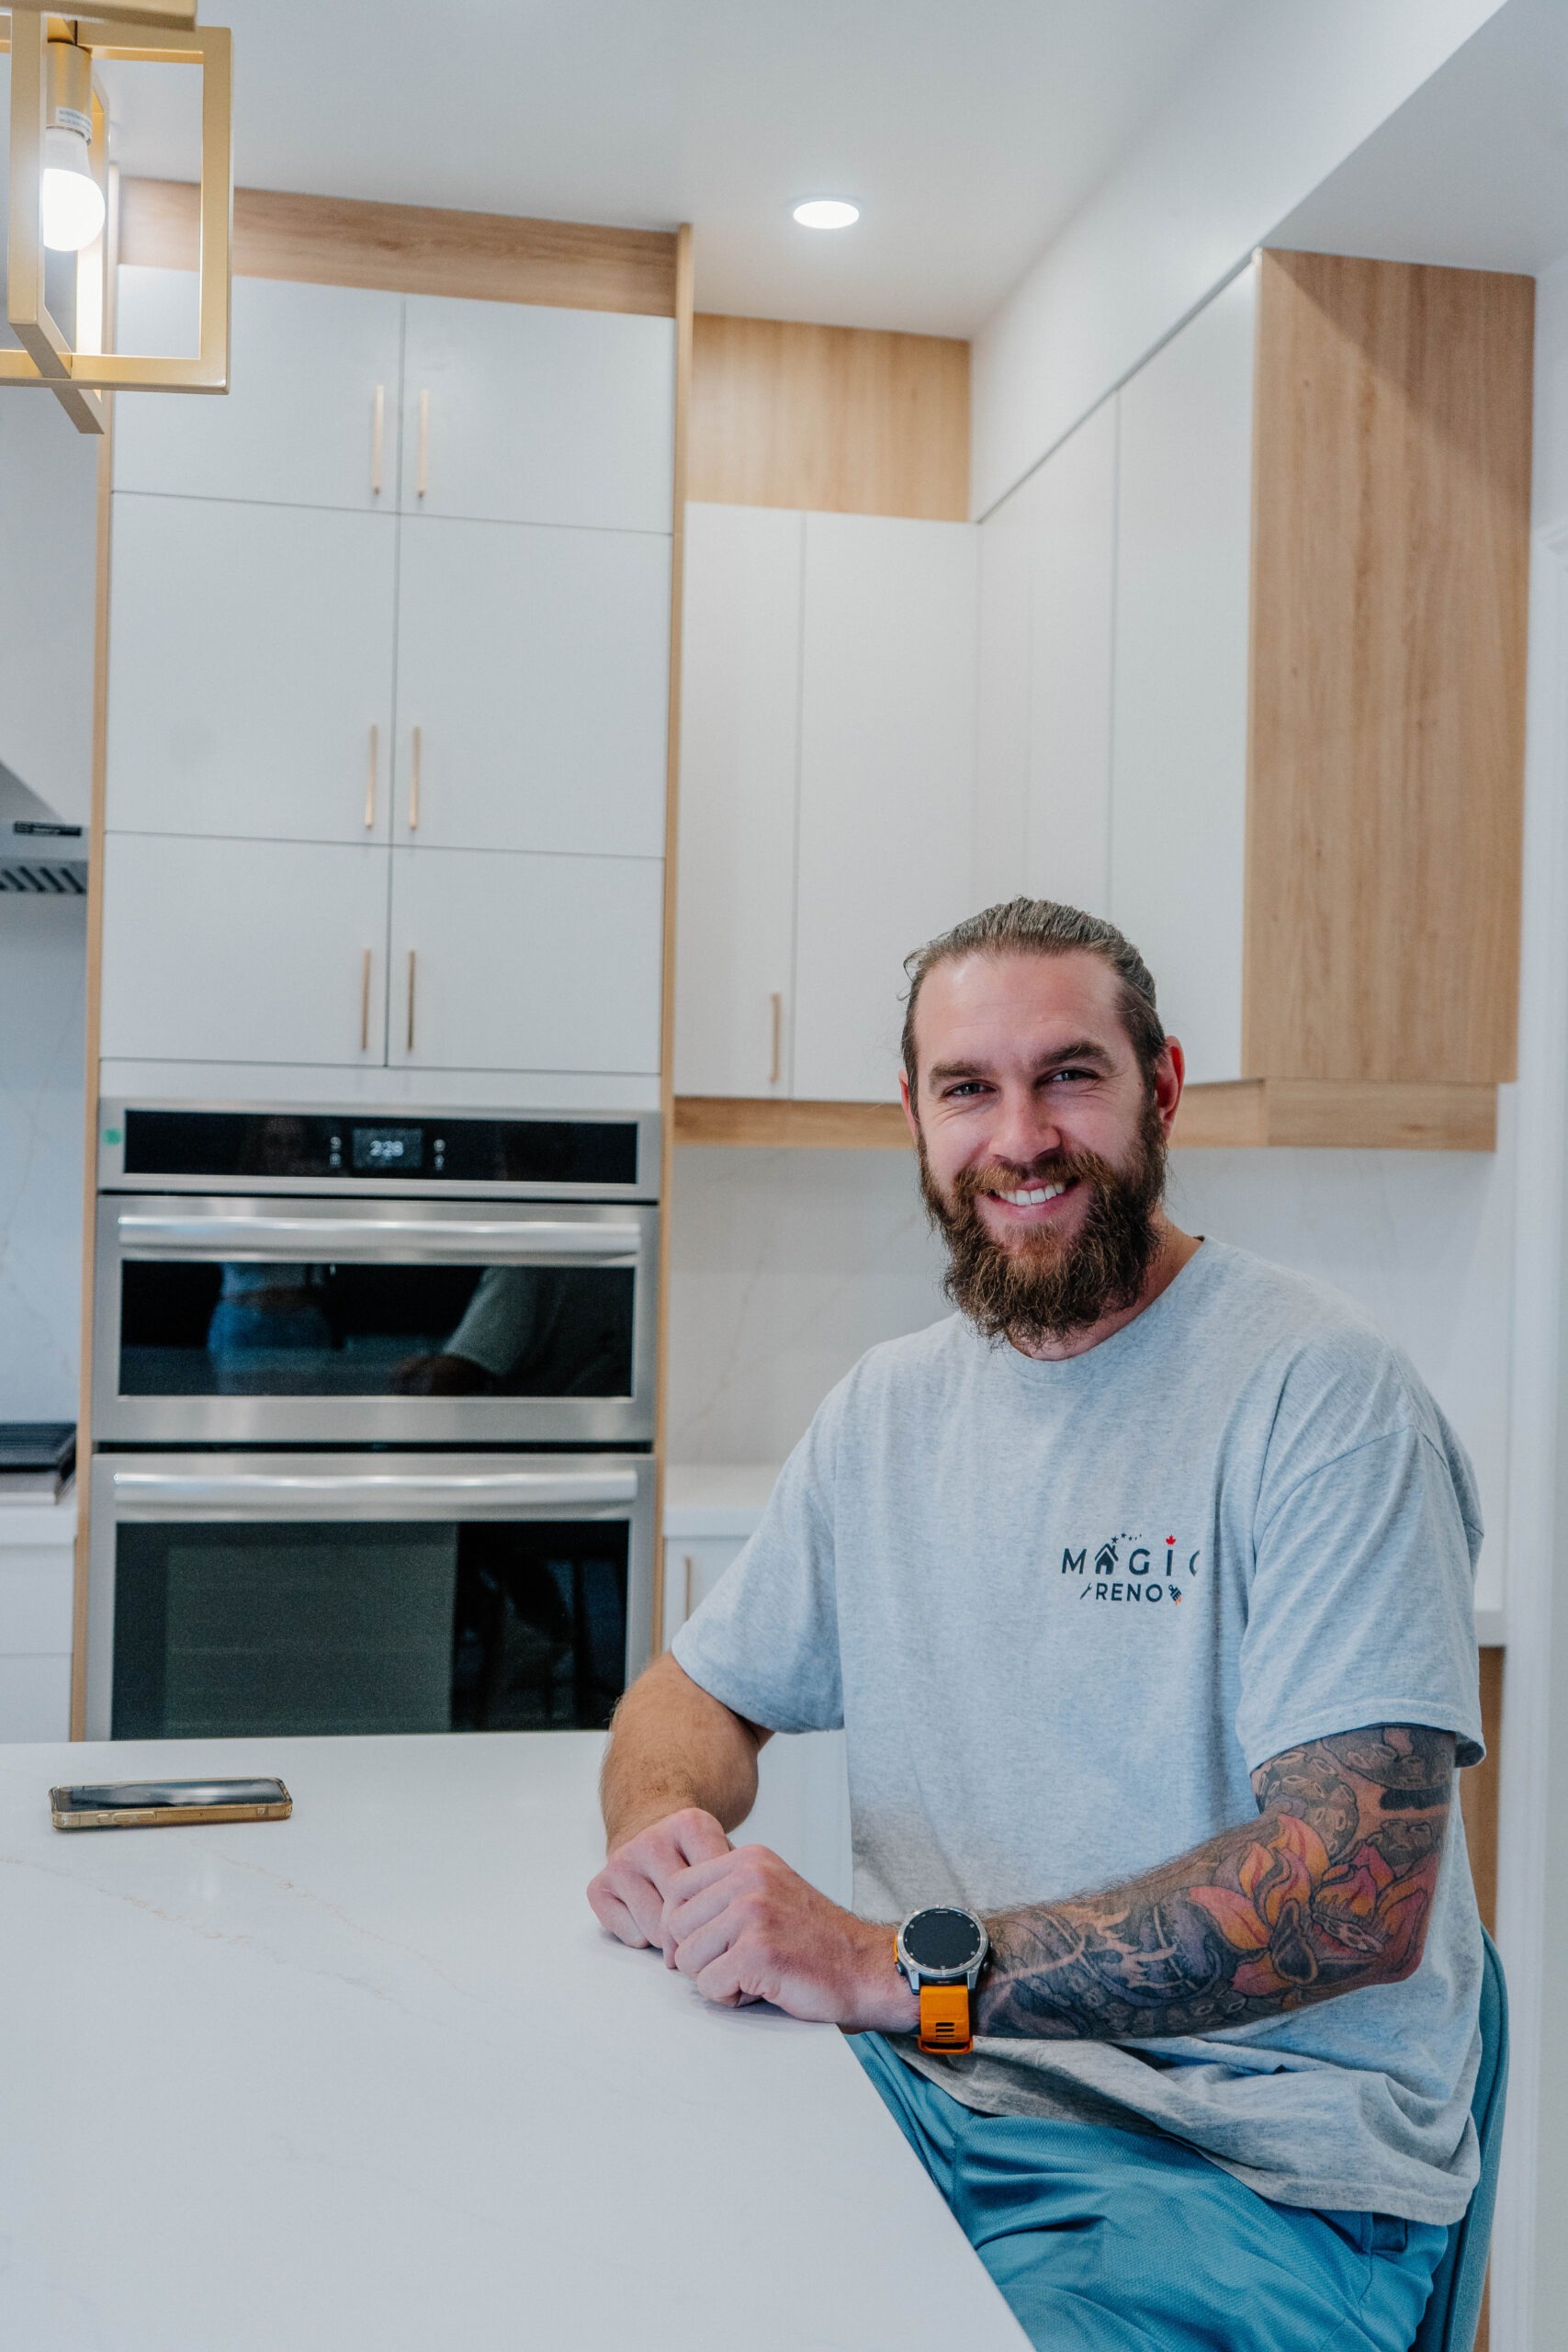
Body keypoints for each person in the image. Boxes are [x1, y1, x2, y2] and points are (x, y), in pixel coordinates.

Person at [588, 899, 1483, 2352]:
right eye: (969, 1087)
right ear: (916, 1115)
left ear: (1162, 1089)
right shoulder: (887, 1411)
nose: (1021, 1135)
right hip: (931, 2097)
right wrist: (664, 1828)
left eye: (1070, 1074)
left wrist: (891, 1968)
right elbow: (690, 1697)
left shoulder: (1322, 1400)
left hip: (1239, 2169)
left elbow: (1357, 1887)